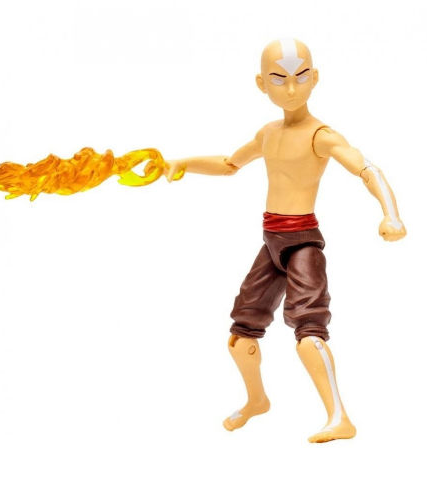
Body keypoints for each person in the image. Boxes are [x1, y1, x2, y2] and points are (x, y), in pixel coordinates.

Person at [164, 38, 406, 443]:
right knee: (241, 337)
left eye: (301, 77)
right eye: (279, 79)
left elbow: (367, 169)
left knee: (309, 333)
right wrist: (182, 164)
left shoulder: (320, 135)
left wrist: (391, 213)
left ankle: (339, 417)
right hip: (271, 242)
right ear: (262, 83)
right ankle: (256, 401)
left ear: (315, 78)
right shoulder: (268, 134)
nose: (291, 89)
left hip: (302, 243)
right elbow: (229, 164)